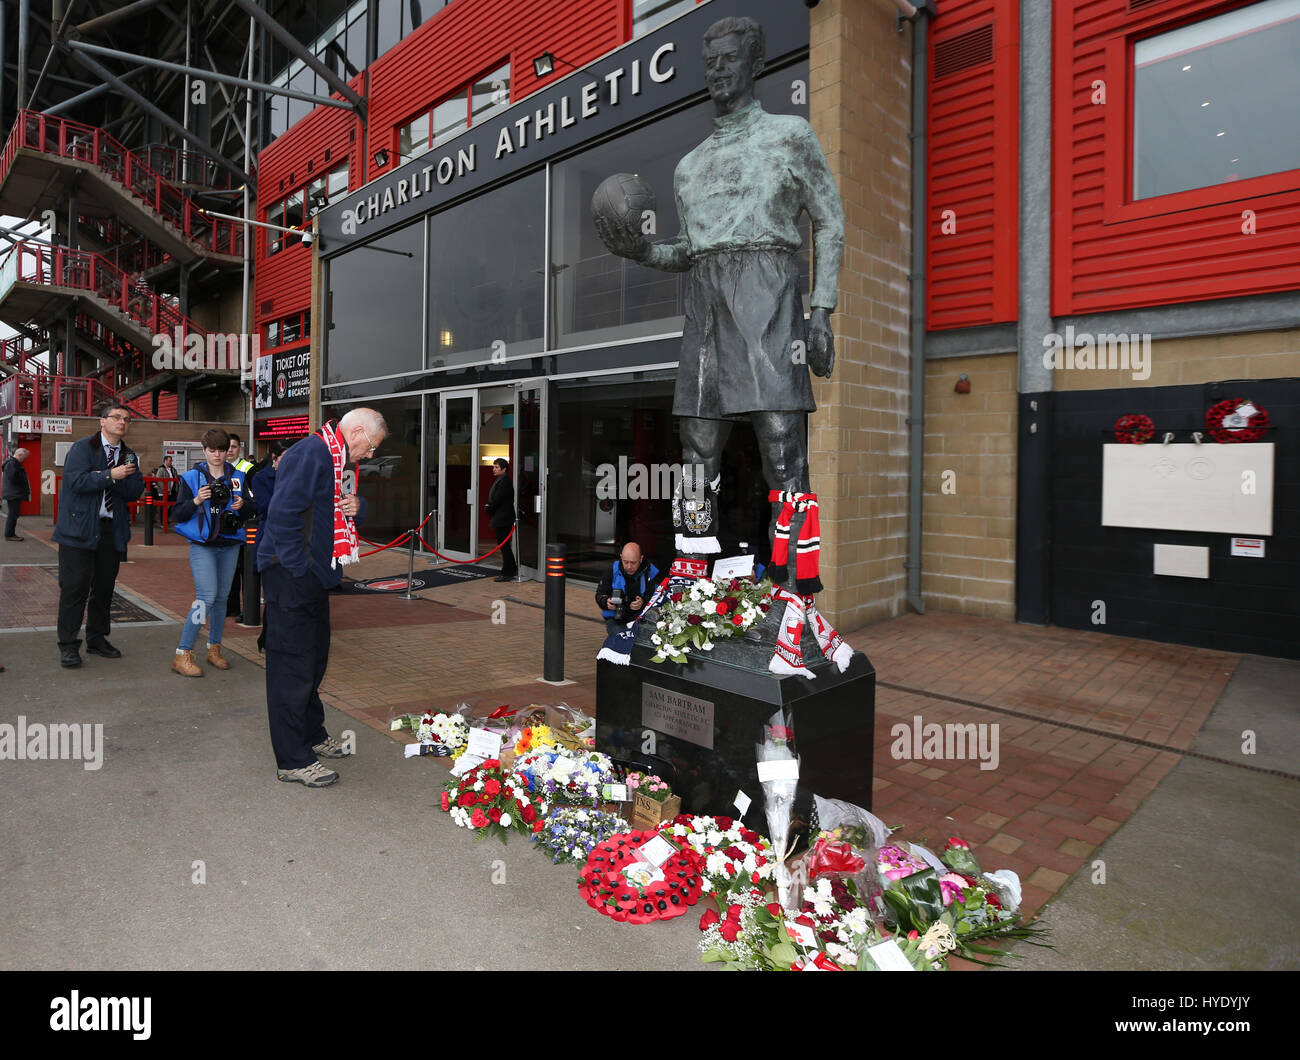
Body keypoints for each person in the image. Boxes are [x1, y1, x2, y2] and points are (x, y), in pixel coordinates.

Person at [594, 15, 844, 562]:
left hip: (769, 288)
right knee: (697, 446)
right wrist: (639, 250)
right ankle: (693, 571)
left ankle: (793, 580)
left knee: (782, 443)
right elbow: (686, 251)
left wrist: (821, 310)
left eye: (729, 59)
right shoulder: (690, 166)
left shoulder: (790, 135)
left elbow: (829, 221)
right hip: (707, 298)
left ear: (755, 64)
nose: (718, 70)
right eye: (710, 63)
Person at [256, 408, 387, 788]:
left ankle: (312, 734)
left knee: (314, 660)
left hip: (313, 576)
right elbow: (283, 516)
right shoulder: (310, 453)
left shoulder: (335, 458)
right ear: (358, 431)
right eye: (372, 446)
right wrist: (302, 568)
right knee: (292, 668)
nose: (370, 455)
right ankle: (293, 760)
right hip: (292, 576)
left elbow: (332, 510)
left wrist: (357, 508)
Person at [52, 402, 145, 668]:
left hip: (110, 531)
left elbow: (133, 490)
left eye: (127, 419)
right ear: (102, 421)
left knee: (104, 589)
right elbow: (75, 482)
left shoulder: (128, 455)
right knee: (74, 589)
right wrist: (109, 475)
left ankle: (97, 639)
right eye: (116, 417)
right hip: (78, 531)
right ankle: (68, 646)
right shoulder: (83, 448)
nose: (122, 422)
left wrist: (108, 478)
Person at [168, 428, 251, 677]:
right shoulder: (192, 478)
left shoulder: (238, 476)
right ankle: (182, 654)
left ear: (229, 451)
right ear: (204, 450)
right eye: (212, 450)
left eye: (222, 450)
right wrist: (195, 501)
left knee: (222, 598)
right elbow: (176, 515)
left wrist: (242, 505)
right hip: (203, 545)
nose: (217, 455)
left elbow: (253, 508)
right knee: (206, 597)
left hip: (230, 543)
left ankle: (214, 648)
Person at [595, 542, 660, 635]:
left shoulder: (651, 572)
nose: (629, 567)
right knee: (621, 638)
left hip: (641, 617)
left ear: (641, 559)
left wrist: (643, 602)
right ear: (621, 557)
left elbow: (658, 599)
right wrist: (606, 602)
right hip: (616, 618)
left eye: (633, 563)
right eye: (625, 562)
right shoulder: (612, 570)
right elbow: (600, 594)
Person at [225, 432, 255, 619]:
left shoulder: (248, 469)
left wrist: (244, 504)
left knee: (246, 570)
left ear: (240, 449)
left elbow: (255, 499)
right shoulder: (218, 467)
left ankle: (248, 610)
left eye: (234, 447)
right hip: (226, 527)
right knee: (229, 570)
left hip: (245, 527)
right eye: (227, 447)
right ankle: (231, 607)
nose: (229, 450)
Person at [485, 456, 517, 582]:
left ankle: (508, 572)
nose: (494, 469)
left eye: (496, 467)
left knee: (504, 546)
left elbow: (498, 499)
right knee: (504, 545)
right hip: (502, 517)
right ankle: (511, 568)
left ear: (504, 469)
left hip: (504, 518)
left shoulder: (505, 481)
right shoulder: (502, 480)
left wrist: (490, 507)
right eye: (493, 466)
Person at [3, 446, 31, 541]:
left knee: (13, 514)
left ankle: (10, 533)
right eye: (24, 458)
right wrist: (22, 480)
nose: (24, 460)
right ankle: (9, 534)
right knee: (13, 514)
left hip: (13, 493)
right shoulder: (12, 464)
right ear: (19, 455)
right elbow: (13, 477)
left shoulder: (12, 463)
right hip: (13, 494)